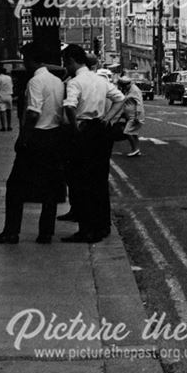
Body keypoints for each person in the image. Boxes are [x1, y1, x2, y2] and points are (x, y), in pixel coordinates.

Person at [0, 42, 66, 244]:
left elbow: (33, 112)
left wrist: (23, 138)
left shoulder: (35, 82)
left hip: (37, 137)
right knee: (50, 187)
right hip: (54, 137)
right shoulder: (57, 81)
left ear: (32, 60)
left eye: (25, 59)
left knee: (15, 186)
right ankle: (45, 232)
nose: (23, 63)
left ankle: (11, 232)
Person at [60, 44, 124, 243]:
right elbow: (120, 99)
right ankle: (102, 226)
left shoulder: (75, 82)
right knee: (99, 181)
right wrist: (108, 118)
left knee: (82, 182)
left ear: (72, 60)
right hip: (101, 131)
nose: (65, 66)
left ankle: (86, 230)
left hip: (84, 130)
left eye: (65, 62)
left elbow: (70, 106)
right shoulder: (99, 79)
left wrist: (74, 127)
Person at [115, 75, 143, 157]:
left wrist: (137, 115)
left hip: (134, 116)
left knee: (127, 132)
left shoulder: (135, 90)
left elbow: (139, 104)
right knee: (134, 133)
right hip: (129, 115)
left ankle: (135, 149)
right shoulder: (128, 90)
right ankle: (136, 149)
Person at [0, 64, 15, 132]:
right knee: (9, 111)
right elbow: (12, 85)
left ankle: (3, 127)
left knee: (2, 111)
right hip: (9, 95)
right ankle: (9, 126)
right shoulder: (9, 78)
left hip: (1, 96)